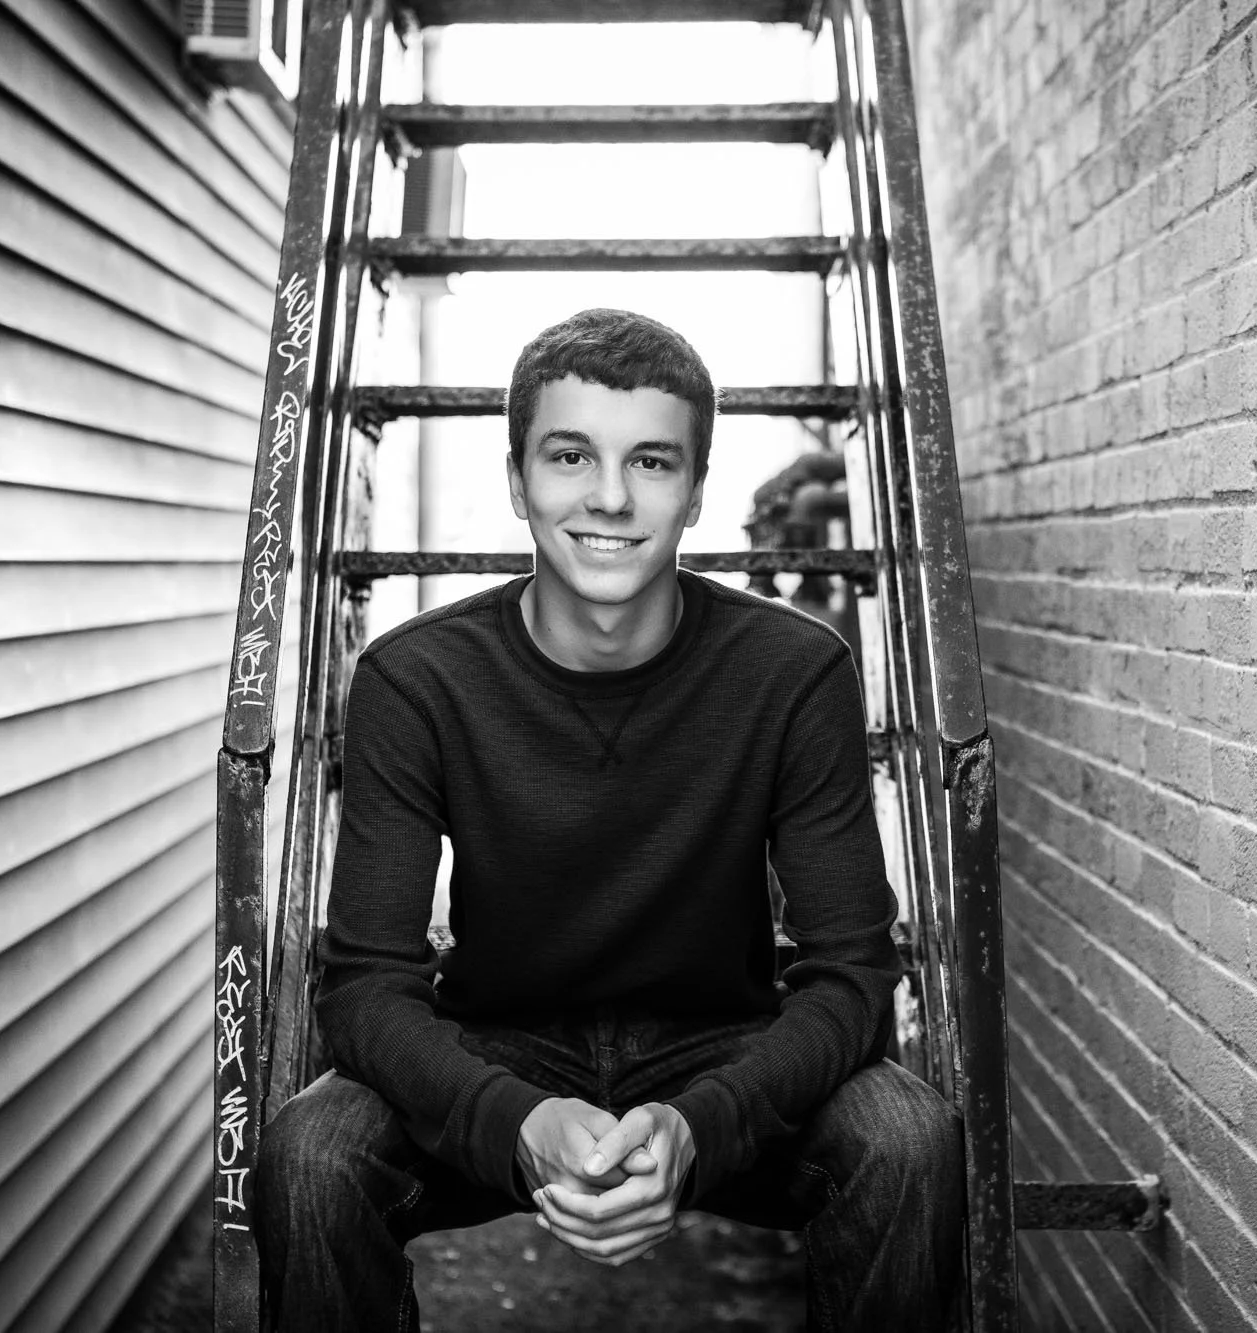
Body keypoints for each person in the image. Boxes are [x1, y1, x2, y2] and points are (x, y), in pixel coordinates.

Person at [253, 308, 965, 1330]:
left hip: (721, 1043)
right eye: (570, 455)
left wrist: (701, 1126)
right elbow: (364, 981)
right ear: (517, 479)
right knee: (311, 1154)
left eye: (652, 461)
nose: (611, 497)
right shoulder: (416, 679)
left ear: (696, 489)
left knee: (908, 1138)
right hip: (500, 1039)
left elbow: (852, 968)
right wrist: (516, 1119)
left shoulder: (793, 671)